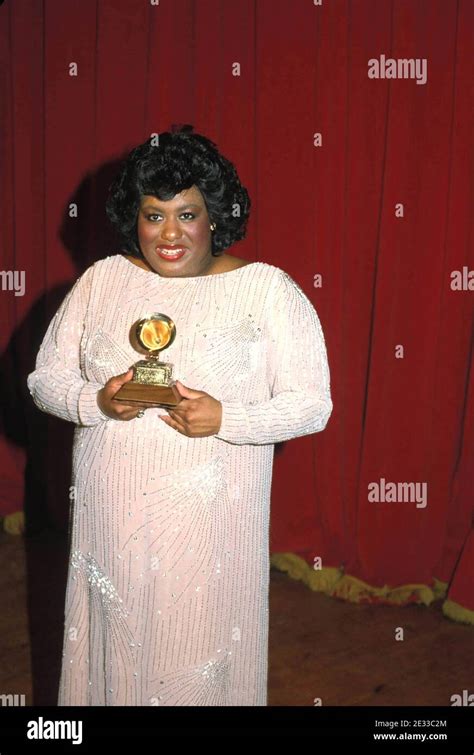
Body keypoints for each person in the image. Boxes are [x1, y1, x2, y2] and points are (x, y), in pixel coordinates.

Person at [27, 125, 333, 706]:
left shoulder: (267, 290)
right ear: (133, 218)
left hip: (210, 537)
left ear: (213, 217)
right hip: (110, 525)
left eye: (186, 214)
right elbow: (45, 379)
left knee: (192, 661)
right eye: (153, 214)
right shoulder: (101, 281)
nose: (169, 233)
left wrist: (228, 419)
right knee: (113, 667)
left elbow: (313, 404)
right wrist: (95, 400)